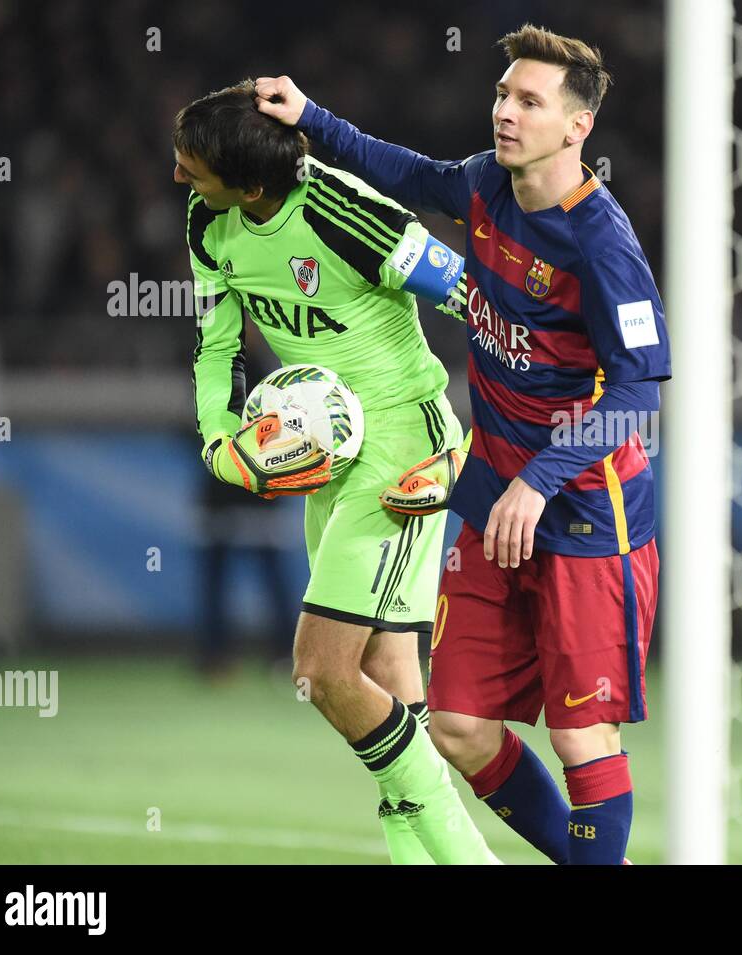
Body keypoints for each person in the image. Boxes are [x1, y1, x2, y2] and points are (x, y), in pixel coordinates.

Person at [256, 22, 671, 864]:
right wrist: (311, 117)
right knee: (458, 727)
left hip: (591, 513)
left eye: (529, 101)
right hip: (493, 501)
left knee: (581, 735)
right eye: (502, 94)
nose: (506, 112)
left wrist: (543, 479)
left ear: (576, 126)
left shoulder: (602, 244)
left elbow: (637, 393)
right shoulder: (484, 184)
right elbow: (408, 172)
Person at [173, 79, 496, 864]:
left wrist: (472, 451)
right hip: (328, 455)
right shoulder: (207, 225)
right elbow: (217, 345)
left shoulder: (346, 214)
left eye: (194, 167)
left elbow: (483, 308)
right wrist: (219, 437)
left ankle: (471, 859)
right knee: (387, 676)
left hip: (402, 449)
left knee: (321, 672)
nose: (180, 176)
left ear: (251, 184)